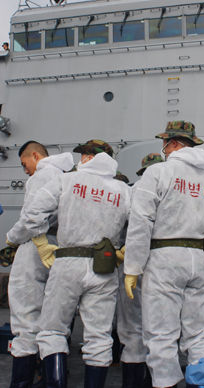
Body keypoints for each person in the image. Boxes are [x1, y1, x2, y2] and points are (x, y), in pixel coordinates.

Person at [124, 121, 204, 388]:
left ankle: (166, 384)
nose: (164, 148)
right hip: (201, 261)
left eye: (166, 143)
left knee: (161, 334)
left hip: (164, 259)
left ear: (175, 143)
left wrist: (132, 268)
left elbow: (141, 221)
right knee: (200, 332)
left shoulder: (158, 172)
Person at [24, 139, 131, 388]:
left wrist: (41, 243)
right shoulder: (124, 190)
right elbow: (138, 227)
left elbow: (32, 214)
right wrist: (123, 250)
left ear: (87, 158)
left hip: (67, 262)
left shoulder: (66, 181)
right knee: (99, 337)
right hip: (104, 268)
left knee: (52, 330)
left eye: (83, 155)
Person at [6, 141, 74, 388]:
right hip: (60, 247)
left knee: (25, 316)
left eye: (25, 164)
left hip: (36, 245)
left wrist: (10, 239)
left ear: (35, 156)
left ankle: (21, 383)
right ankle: (52, 380)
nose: (25, 171)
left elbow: (29, 219)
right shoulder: (66, 178)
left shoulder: (41, 176)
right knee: (54, 324)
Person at [117, 153, 163, 388]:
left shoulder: (133, 191)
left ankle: (132, 383)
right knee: (162, 328)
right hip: (162, 265)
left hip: (132, 262)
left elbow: (123, 224)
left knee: (131, 326)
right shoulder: (171, 188)